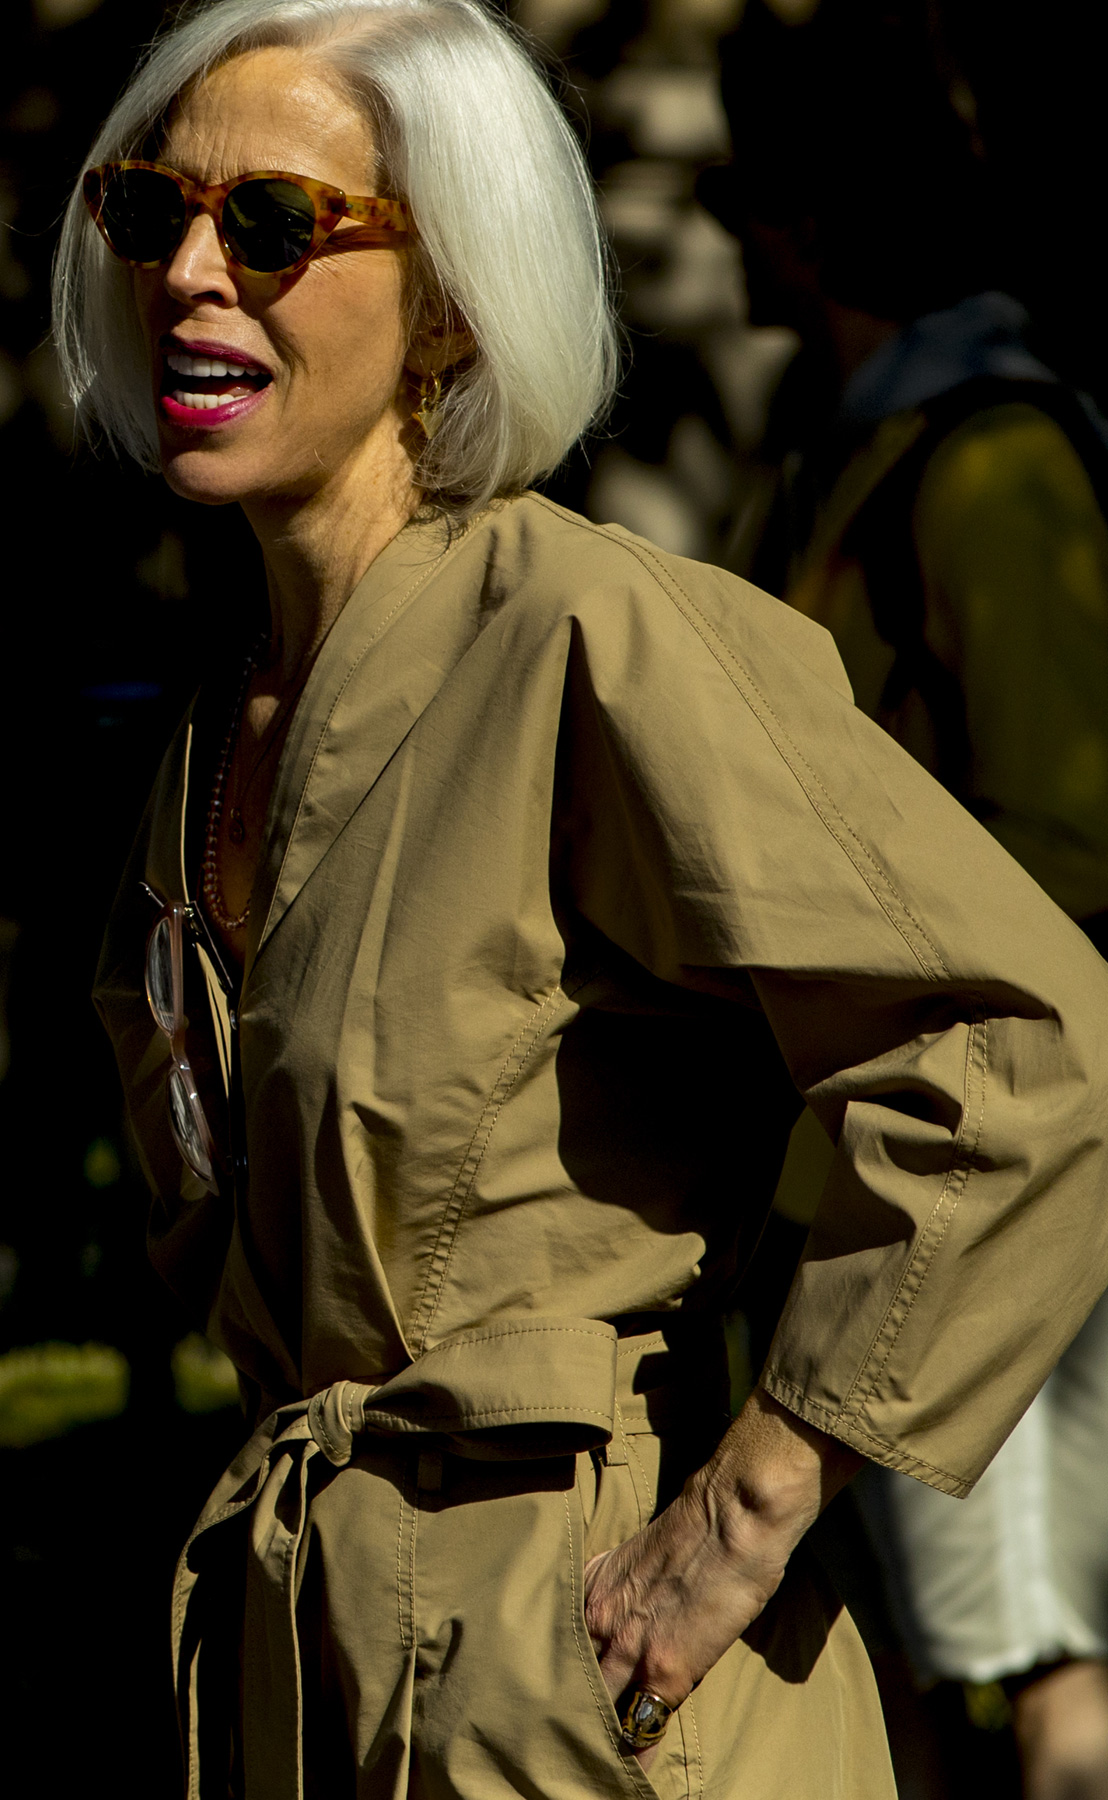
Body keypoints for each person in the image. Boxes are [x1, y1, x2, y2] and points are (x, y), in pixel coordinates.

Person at [51, 2, 1108, 1795]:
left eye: (278, 224)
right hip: (301, 1684)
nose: (191, 274)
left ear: (451, 299)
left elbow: (1020, 1036)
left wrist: (761, 1494)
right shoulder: (218, 730)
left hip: (591, 1691)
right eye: (153, 214)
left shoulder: (587, 631)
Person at [707, 10, 1108, 1795]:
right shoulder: (839, 454)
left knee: (1046, 1673)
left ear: (804, 223)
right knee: (910, 1663)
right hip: (866, 1160)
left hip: (983, 1165)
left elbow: (1084, 834)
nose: (721, 241)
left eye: (742, 200)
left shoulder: (996, 464)